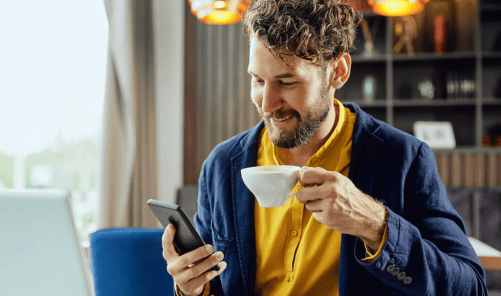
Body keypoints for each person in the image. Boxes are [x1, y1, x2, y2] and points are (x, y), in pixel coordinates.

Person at [161, 0, 488, 295]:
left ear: (338, 71)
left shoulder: (402, 158)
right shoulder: (222, 166)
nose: (268, 103)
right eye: (258, 80)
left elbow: (469, 286)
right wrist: (190, 288)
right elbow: (215, 283)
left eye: (287, 82)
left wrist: (375, 224)